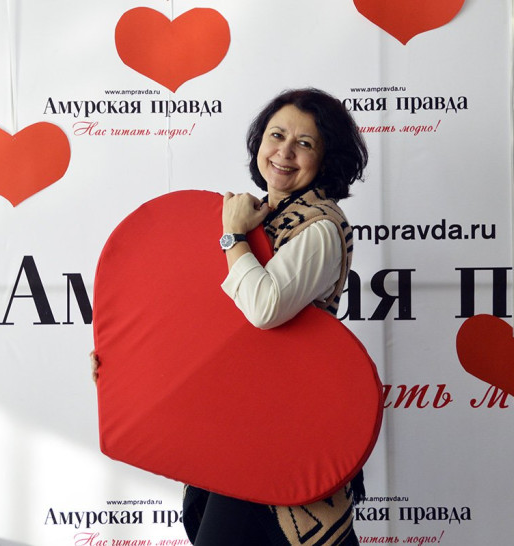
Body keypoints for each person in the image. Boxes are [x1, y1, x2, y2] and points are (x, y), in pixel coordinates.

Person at [93, 87, 369, 545]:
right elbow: (201, 323)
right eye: (276, 135)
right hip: (233, 422)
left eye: (304, 143)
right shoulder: (258, 218)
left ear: (327, 159)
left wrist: (232, 236)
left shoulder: (319, 227)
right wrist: (125, 366)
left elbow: (264, 309)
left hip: (278, 433)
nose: (284, 151)